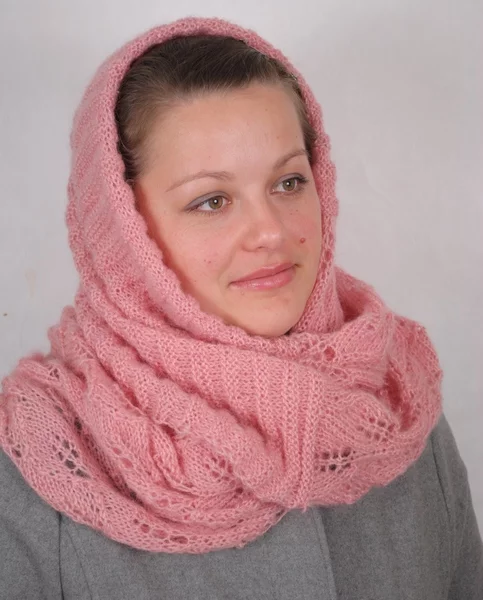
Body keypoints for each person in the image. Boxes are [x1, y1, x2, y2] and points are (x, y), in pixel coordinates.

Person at [0, 15, 481, 600]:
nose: (271, 231)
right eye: (212, 200)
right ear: (122, 238)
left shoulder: (399, 406)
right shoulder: (34, 474)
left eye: (288, 183)